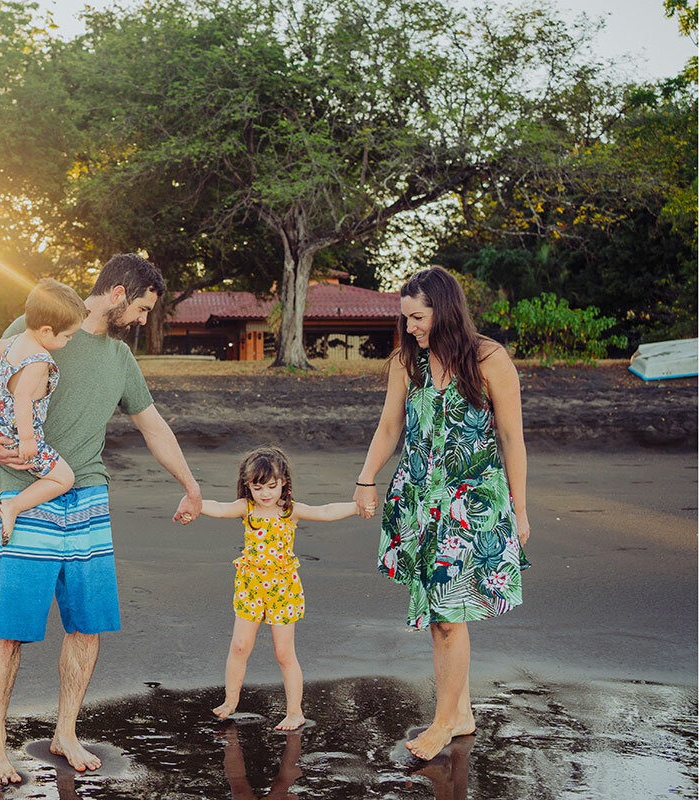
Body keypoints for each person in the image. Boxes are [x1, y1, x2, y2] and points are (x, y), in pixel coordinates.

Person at [0, 253, 203, 785]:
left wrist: (189, 484)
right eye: (142, 308)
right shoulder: (41, 325)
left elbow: (154, 426)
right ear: (119, 293)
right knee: (9, 631)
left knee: (87, 626)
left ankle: (65, 732)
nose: (143, 320)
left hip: (88, 497)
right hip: (26, 491)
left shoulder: (120, 360)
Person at [353, 266, 531, 760]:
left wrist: (520, 509)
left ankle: (443, 722)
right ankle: (462, 711)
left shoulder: (490, 358)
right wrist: (366, 478)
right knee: (441, 616)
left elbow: (512, 439)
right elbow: (389, 428)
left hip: (472, 505)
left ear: (444, 309)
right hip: (419, 502)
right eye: (405, 318)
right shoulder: (405, 361)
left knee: (449, 617)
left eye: (417, 317)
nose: (409, 327)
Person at [198, 446, 360, 730]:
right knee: (239, 646)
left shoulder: (291, 512)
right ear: (247, 485)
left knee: (284, 653)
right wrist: (194, 503)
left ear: (284, 482)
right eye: (258, 487)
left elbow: (324, 511)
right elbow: (219, 508)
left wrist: (356, 506)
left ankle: (295, 711)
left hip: (283, 589)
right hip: (250, 586)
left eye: (271, 486)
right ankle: (230, 700)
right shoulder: (245, 509)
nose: (265, 493)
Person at [0, 278, 88, 544]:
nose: (70, 340)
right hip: (18, 434)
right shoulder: (39, 360)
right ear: (47, 331)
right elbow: (23, 397)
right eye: (67, 336)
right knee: (64, 478)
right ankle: (14, 506)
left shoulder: (14, 343)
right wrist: (28, 440)